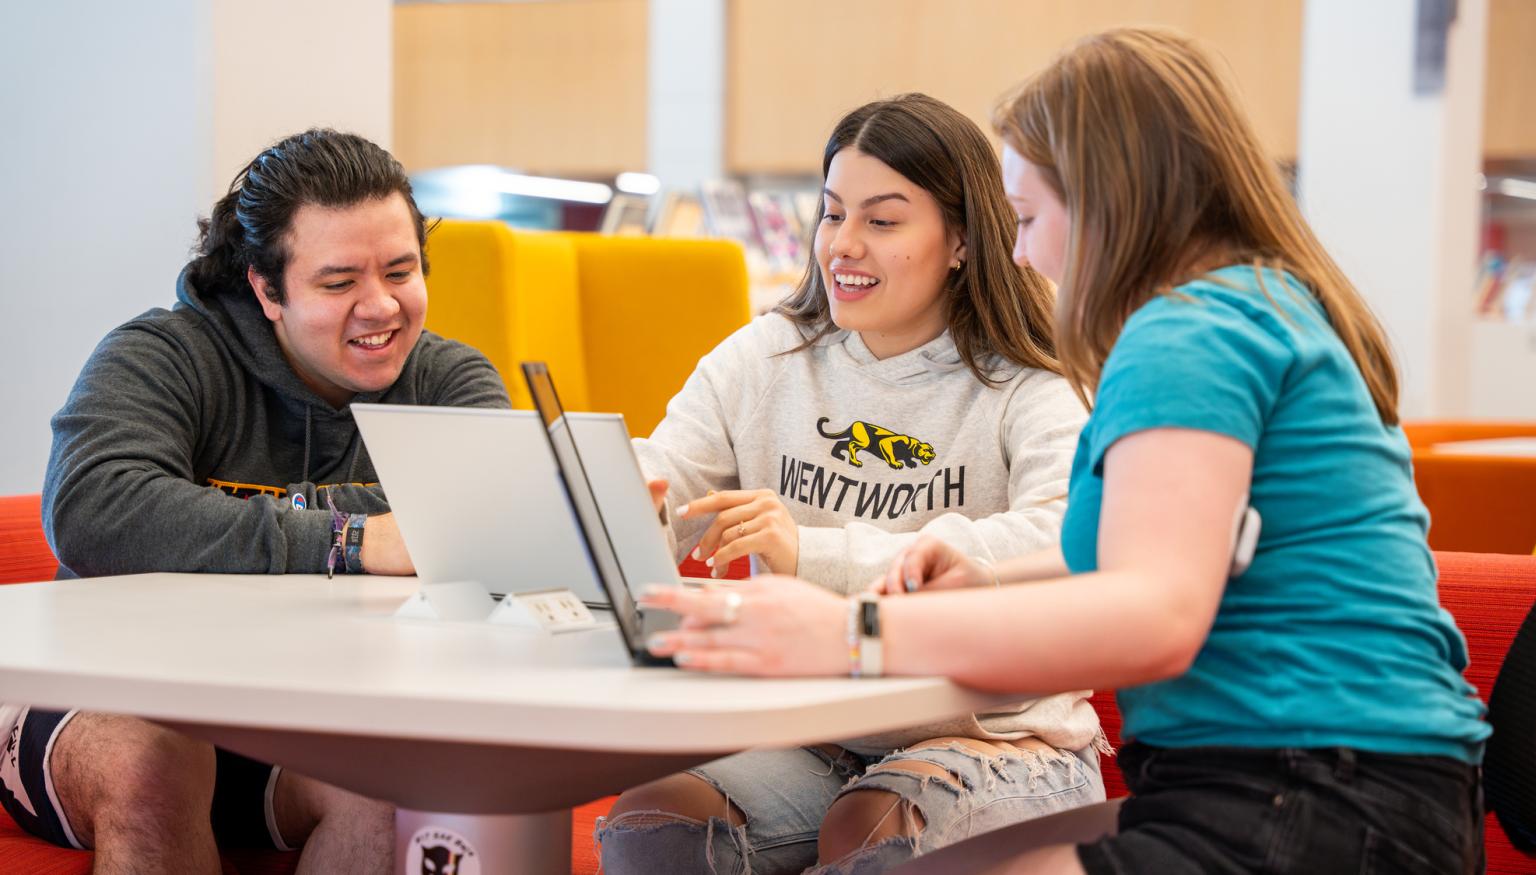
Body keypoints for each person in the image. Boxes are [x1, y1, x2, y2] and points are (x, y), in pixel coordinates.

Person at [640, 28, 1488, 875]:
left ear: (1111, 201)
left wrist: (857, 631)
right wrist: (994, 577)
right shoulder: (1254, 305)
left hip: (1312, 790)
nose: (1019, 253)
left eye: (1029, 218)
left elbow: (1157, 614)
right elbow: (1190, 553)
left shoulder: (1188, 336)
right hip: (1339, 780)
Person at [599, 94, 1105, 875]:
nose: (843, 245)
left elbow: (1060, 535)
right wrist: (621, 490)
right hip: (819, 735)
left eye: (883, 219)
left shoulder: (1032, 384)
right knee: (654, 823)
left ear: (963, 239)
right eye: (832, 214)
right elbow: (671, 475)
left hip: (997, 735)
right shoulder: (766, 355)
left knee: (869, 829)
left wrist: (812, 551)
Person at [2, 129, 509, 874]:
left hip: (312, 713)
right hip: (109, 694)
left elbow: (492, 511)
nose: (381, 306)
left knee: (390, 792)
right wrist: (353, 539)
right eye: (339, 283)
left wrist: (204, 509)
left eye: (400, 271)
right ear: (267, 289)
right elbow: (95, 508)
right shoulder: (161, 356)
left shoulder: (450, 381)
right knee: (154, 762)